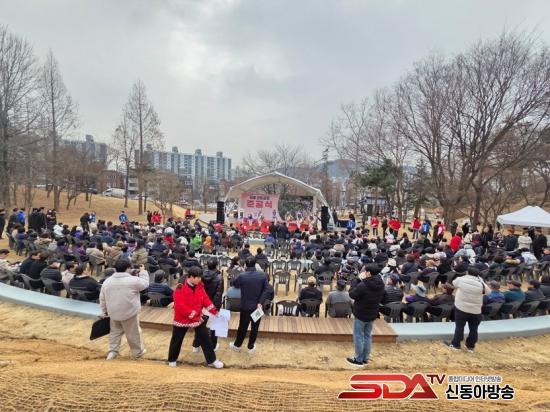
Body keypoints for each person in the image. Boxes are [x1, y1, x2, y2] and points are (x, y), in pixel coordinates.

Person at [167, 266, 224, 369]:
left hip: (197, 317)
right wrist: (196, 316)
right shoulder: (180, 288)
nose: (200, 279)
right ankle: (172, 360)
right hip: (182, 318)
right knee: (177, 339)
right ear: (190, 277)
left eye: (200, 277)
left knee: (205, 338)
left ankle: (212, 360)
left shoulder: (200, 286)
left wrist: (215, 312)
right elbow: (180, 306)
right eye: (197, 277)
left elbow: (205, 300)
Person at [99, 259, 149, 360]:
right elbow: (145, 284)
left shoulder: (107, 281)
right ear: (128, 268)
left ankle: (112, 351)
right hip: (129, 313)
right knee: (133, 334)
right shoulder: (133, 280)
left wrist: (104, 311)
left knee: (115, 333)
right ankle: (137, 352)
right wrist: (143, 272)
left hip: (113, 312)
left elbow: (102, 298)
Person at [229, 256, 270, 354]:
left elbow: (234, 284)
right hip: (257, 307)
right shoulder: (262, 275)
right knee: (254, 327)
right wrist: (260, 302)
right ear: (255, 264)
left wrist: (242, 272)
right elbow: (267, 290)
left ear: (246, 265)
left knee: (242, 327)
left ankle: (237, 345)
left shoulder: (242, 276)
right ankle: (250, 347)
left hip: (245, 307)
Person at [347, 263, 385, 367]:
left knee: (358, 336)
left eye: (365, 271)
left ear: (368, 273)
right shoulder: (381, 283)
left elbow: (352, 294)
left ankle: (358, 359)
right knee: (368, 336)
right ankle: (365, 358)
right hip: (372, 312)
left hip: (361, 313)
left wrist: (357, 281)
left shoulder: (363, 284)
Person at [446, 266, 489, 352]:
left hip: (461, 308)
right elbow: (488, 292)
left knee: (459, 327)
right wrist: (480, 280)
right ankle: (470, 347)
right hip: (476, 310)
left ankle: (456, 345)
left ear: (467, 272)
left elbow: (453, 283)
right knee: (474, 329)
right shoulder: (481, 284)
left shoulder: (461, 279)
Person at [192, 259, 224, 352]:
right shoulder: (219, 277)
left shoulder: (200, 275)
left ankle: (196, 345)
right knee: (214, 326)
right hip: (212, 305)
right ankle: (213, 346)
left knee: (200, 325)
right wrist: (215, 309)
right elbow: (218, 294)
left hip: (201, 305)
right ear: (216, 265)